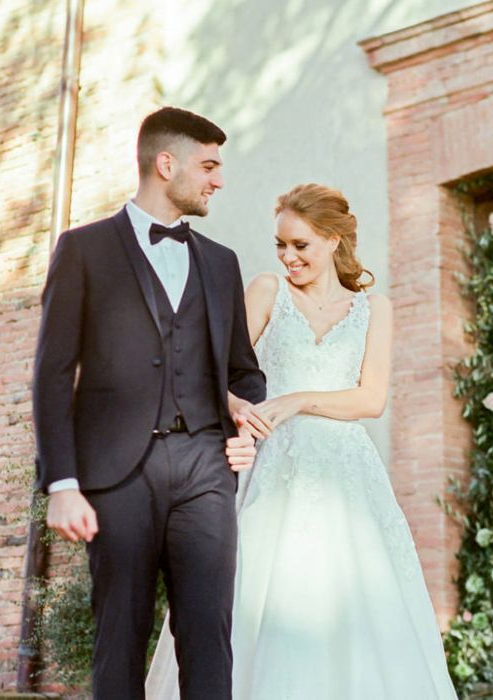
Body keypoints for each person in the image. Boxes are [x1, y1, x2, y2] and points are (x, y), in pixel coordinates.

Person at [146, 184, 457, 699]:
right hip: (276, 473)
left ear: (334, 241)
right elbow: (208, 373)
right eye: (281, 246)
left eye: (301, 246)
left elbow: (370, 399)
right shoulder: (268, 291)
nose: (288, 257)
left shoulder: (373, 309)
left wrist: (295, 400)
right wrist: (238, 407)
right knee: (266, 599)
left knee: (357, 608)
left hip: (349, 476)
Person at [32, 106, 266, 700]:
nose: (218, 180)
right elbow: (53, 374)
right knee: (120, 636)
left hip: (206, 470)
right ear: (166, 164)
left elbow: (245, 372)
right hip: (117, 473)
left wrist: (246, 427)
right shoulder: (83, 250)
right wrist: (62, 483)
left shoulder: (221, 262)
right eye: (209, 165)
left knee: (210, 638)